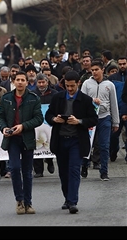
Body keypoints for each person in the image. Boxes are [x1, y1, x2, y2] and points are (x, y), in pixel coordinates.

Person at [45, 70, 98, 214]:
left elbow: (93, 119)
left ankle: (73, 201)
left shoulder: (86, 100)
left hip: (77, 141)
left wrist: (79, 121)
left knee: (74, 170)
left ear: (78, 84)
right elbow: (48, 115)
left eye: (72, 86)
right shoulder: (58, 98)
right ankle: (67, 198)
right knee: (63, 172)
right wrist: (54, 119)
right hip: (61, 139)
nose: (70, 89)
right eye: (67, 86)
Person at [0, 71, 44, 215]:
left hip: (27, 138)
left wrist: (23, 126)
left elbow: (39, 118)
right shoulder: (6, 98)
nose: (20, 82)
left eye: (23, 80)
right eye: (17, 79)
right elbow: (0, 117)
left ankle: (28, 203)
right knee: (15, 168)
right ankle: (19, 200)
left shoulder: (33, 98)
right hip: (12, 140)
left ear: (27, 82)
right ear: (13, 81)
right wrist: (4, 128)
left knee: (27, 172)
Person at [81, 60, 119, 181]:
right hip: (90, 118)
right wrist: (92, 100)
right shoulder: (87, 83)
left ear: (102, 70)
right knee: (88, 144)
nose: (94, 72)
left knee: (104, 145)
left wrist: (116, 122)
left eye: (96, 69)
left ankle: (104, 171)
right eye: (92, 70)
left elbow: (114, 104)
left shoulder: (110, 85)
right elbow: (81, 100)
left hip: (104, 117)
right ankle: (84, 166)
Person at [32, 73, 58, 178]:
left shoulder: (54, 94)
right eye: (39, 82)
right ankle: (38, 170)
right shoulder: (32, 94)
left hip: (50, 123)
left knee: (49, 142)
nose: (42, 84)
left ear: (47, 82)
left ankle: (49, 160)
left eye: (43, 82)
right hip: (36, 124)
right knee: (37, 145)